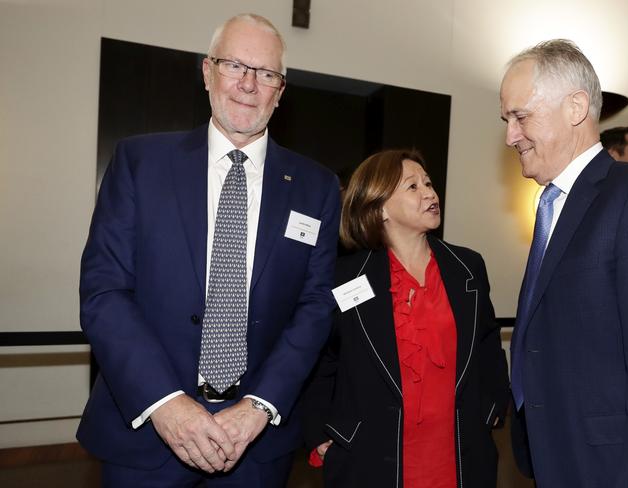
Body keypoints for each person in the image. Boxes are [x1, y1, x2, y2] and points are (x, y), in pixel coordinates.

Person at [77, 13, 341, 487]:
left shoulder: (316, 188)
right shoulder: (139, 163)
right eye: (234, 65)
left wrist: (260, 406)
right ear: (206, 71)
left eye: (266, 73)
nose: (248, 84)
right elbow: (104, 292)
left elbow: (316, 306)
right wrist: (165, 403)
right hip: (148, 438)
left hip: (257, 445)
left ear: (280, 92)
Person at [301, 149, 510, 487]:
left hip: (459, 452)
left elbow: (487, 343)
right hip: (370, 458)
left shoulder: (467, 267)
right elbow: (322, 361)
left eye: (428, 183)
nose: (430, 193)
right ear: (379, 206)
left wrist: (492, 408)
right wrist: (321, 434)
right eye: (412, 187)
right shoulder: (344, 278)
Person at [501, 39, 628, 487]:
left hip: (611, 465)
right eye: (506, 120)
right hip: (555, 451)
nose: (510, 136)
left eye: (520, 116)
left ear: (576, 107)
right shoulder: (553, 203)